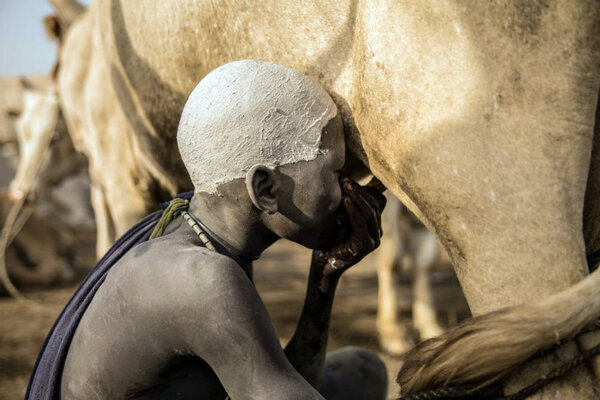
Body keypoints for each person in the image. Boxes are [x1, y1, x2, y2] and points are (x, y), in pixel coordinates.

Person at [28, 60, 387, 400]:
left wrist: (325, 275)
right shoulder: (202, 279)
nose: (348, 190)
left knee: (361, 371)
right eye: (335, 173)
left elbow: (279, 380)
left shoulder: (201, 237)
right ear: (265, 190)